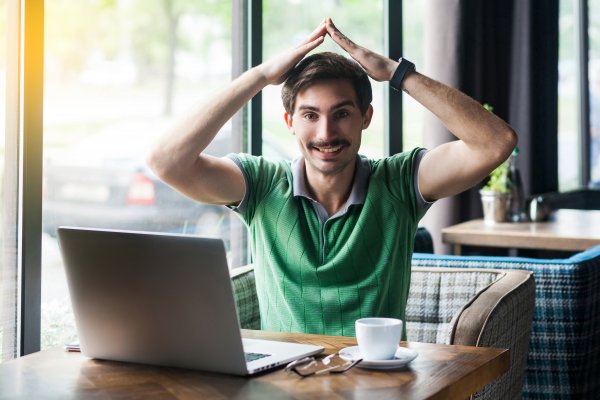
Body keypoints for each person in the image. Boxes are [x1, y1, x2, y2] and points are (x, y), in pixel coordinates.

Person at [147, 18, 517, 337]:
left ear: (365, 118)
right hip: (286, 385)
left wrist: (396, 73)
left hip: (376, 386)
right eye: (310, 115)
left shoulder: (399, 183)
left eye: (342, 113)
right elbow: (167, 161)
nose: (326, 133)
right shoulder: (261, 186)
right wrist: (260, 76)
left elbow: (495, 143)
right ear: (290, 122)